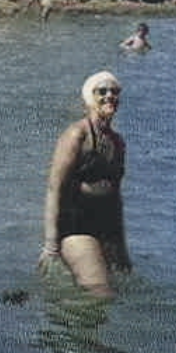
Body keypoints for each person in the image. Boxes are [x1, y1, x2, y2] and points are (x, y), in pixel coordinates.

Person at [40, 71, 131, 297]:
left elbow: (115, 198)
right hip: (75, 227)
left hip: (105, 228)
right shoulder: (76, 135)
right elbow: (54, 188)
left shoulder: (117, 142)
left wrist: (122, 249)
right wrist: (51, 245)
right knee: (101, 293)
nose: (110, 96)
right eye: (102, 91)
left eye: (115, 91)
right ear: (89, 98)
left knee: (118, 294)